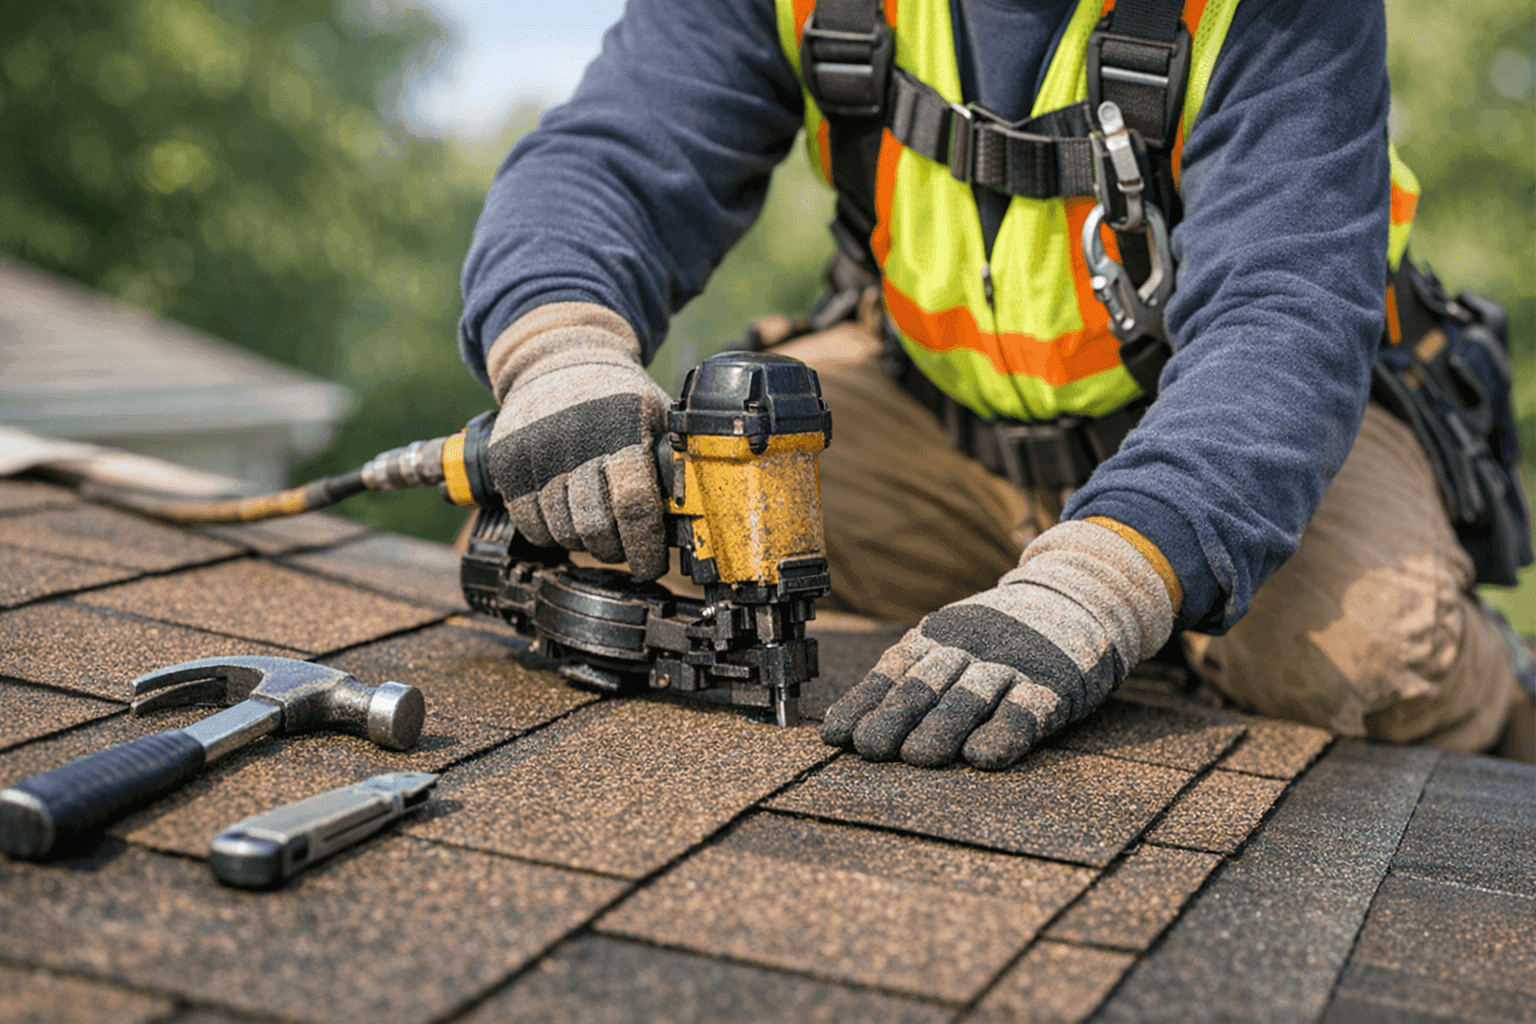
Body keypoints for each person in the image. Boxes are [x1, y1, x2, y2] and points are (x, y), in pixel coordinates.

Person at [458, 0, 1529, 768]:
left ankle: (1506, 699)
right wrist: (559, 352)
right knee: (672, 522)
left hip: (1239, 446)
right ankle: (1131, 619)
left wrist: (1101, 581)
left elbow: (1282, 322)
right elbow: (610, 160)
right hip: (932, 420)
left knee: (1367, 653)